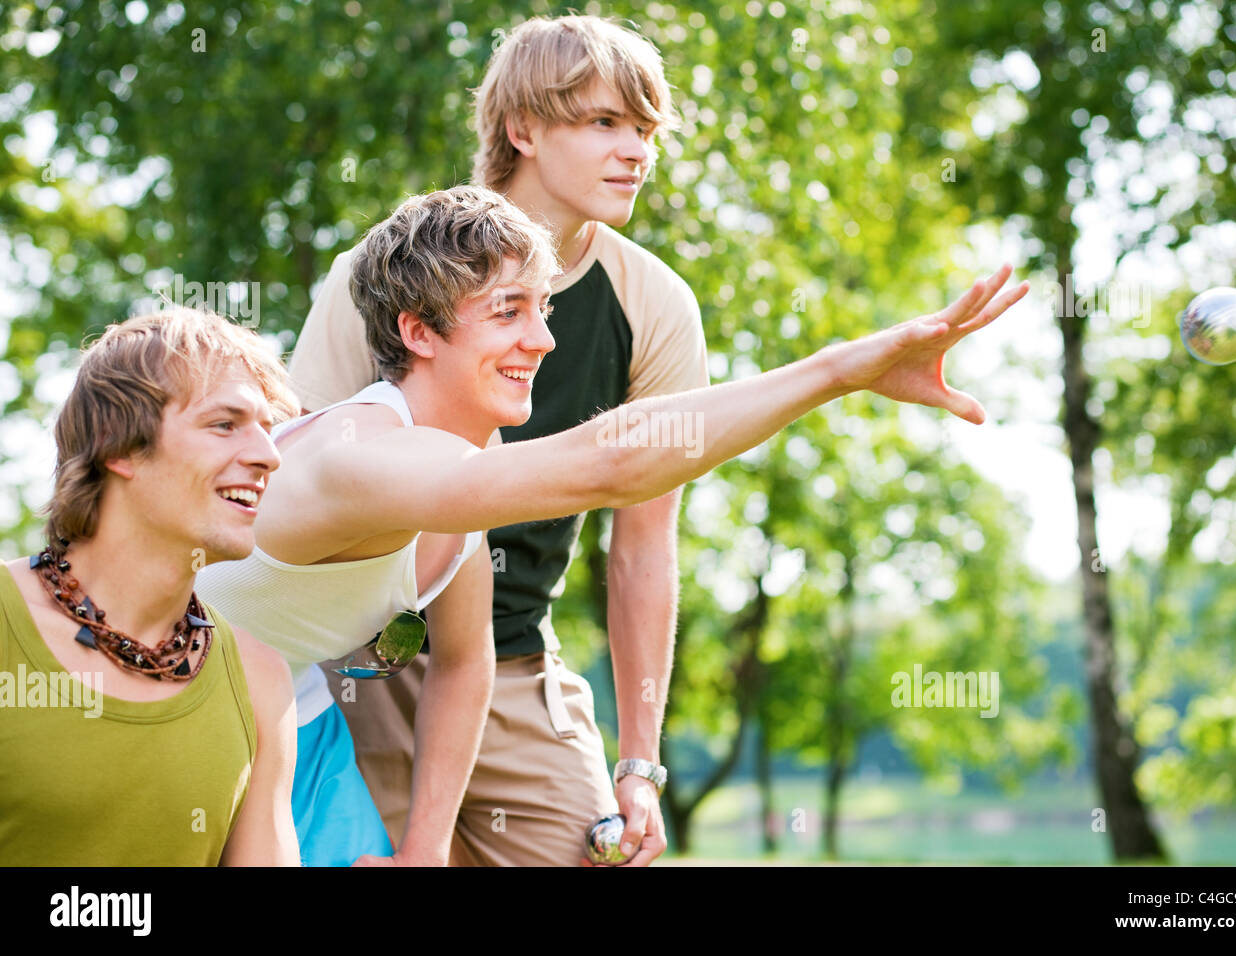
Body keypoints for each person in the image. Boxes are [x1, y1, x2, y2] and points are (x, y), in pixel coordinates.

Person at [203, 182, 1027, 866]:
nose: (545, 337)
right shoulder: (364, 458)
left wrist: (422, 856)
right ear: (418, 333)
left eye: (544, 307)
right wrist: (842, 369)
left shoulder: (458, 469)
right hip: (175, 699)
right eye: (509, 312)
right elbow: (610, 461)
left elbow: (463, 664)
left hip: (288, 710)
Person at [288, 13, 707, 867]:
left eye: (644, 129)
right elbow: (279, 482)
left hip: (512, 663)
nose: (636, 151)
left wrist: (639, 763)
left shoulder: (655, 307)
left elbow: (642, 552)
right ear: (522, 129)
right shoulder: (382, 272)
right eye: (603, 122)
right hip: (353, 668)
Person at [0, 309, 300, 866]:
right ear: (118, 445)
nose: (268, 455)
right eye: (224, 424)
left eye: (266, 427)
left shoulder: (259, 682)